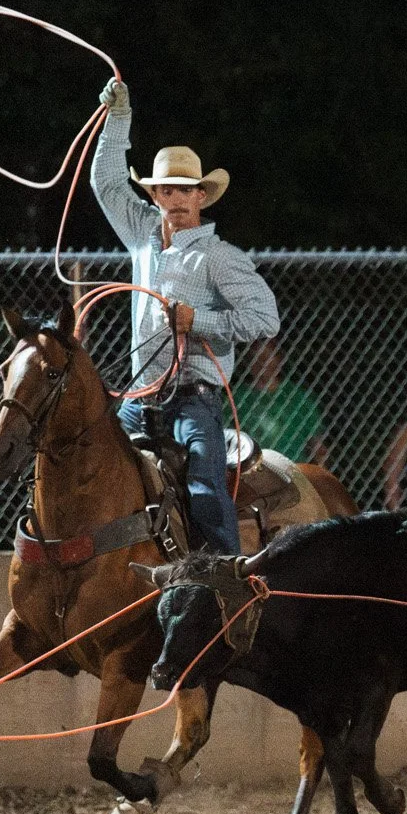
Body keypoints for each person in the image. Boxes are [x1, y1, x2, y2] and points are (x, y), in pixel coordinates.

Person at [92, 80, 279, 554]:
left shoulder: (220, 257)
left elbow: (265, 318)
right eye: (167, 189)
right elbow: (107, 183)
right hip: (140, 395)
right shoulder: (142, 236)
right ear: (155, 196)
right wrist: (118, 119)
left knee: (203, 486)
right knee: (96, 470)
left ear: (201, 197)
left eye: (185, 190)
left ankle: (227, 577)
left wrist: (197, 320)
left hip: (193, 400)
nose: (176, 198)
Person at [232, 340, 328, 464]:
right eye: (256, 358)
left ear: (278, 360)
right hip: (253, 469)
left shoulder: (297, 397)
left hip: (293, 468)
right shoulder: (238, 397)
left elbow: (317, 446)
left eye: (266, 357)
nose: (262, 363)